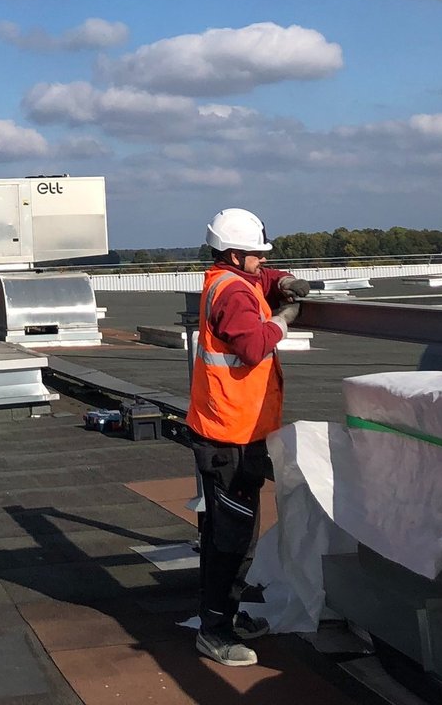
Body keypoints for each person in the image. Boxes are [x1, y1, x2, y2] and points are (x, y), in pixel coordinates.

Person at [185, 207, 310, 667]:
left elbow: (262, 279)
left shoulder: (229, 278)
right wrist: (284, 319)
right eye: (256, 255)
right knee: (232, 538)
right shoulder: (233, 293)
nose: (261, 261)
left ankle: (224, 618)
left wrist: (284, 279)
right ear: (236, 254)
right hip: (229, 438)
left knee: (230, 531)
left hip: (232, 429)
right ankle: (214, 632)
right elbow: (254, 344)